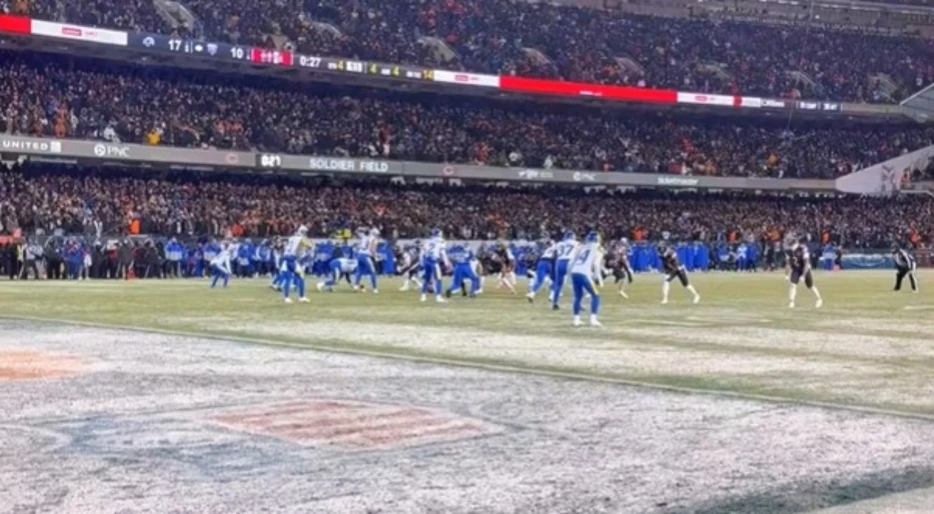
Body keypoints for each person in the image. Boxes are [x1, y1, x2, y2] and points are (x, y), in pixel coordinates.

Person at [570, 231, 603, 327]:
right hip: (583, 273)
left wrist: (570, 273)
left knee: (578, 296)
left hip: (575, 272)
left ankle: (576, 320)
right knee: (595, 295)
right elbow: (596, 265)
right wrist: (599, 278)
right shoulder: (598, 249)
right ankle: (593, 319)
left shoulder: (582, 247)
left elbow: (573, 261)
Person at [788, 240, 823, 309]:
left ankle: (819, 299)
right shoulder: (789, 251)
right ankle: (791, 301)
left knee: (810, 286)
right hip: (796, 269)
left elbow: (806, 263)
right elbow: (789, 263)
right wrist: (787, 274)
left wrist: (803, 275)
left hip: (805, 268)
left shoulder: (803, 249)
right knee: (793, 285)